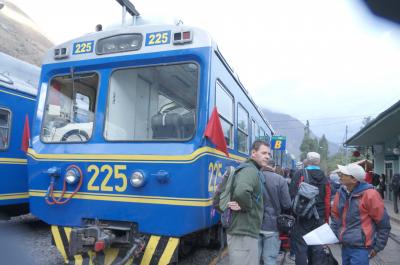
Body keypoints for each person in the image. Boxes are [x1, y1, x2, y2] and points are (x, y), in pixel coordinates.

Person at [331, 164, 391, 265]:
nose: (340, 175)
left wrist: (377, 248)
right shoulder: (341, 192)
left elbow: (383, 224)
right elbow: (335, 217)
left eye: (344, 174)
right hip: (345, 246)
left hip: (361, 248)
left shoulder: (370, 195)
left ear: (354, 179)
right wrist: (333, 235)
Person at [226, 140, 271, 265]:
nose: (267, 156)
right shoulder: (250, 171)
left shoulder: (252, 169)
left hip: (244, 232)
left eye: (269, 154)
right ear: (253, 153)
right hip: (243, 233)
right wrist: (246, 206)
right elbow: (241, 191)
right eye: (264, 153)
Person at [289, 152, 331, 265]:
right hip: (319, 218)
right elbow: (327, 201)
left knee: (301, 249)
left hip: (301, 217)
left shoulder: (300, 174)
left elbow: (292, 195)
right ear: (319, 162)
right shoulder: (325, 177)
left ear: (307, 161)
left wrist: (293, 215)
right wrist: (326, 219)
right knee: (317, 249)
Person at [259, 160, 292, 265]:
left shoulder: (254, 177)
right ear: (273, 167)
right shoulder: (280, 180)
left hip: (254, 224)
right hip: (272, 226)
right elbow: (287, 204)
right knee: (270, 259)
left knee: (254, 259)